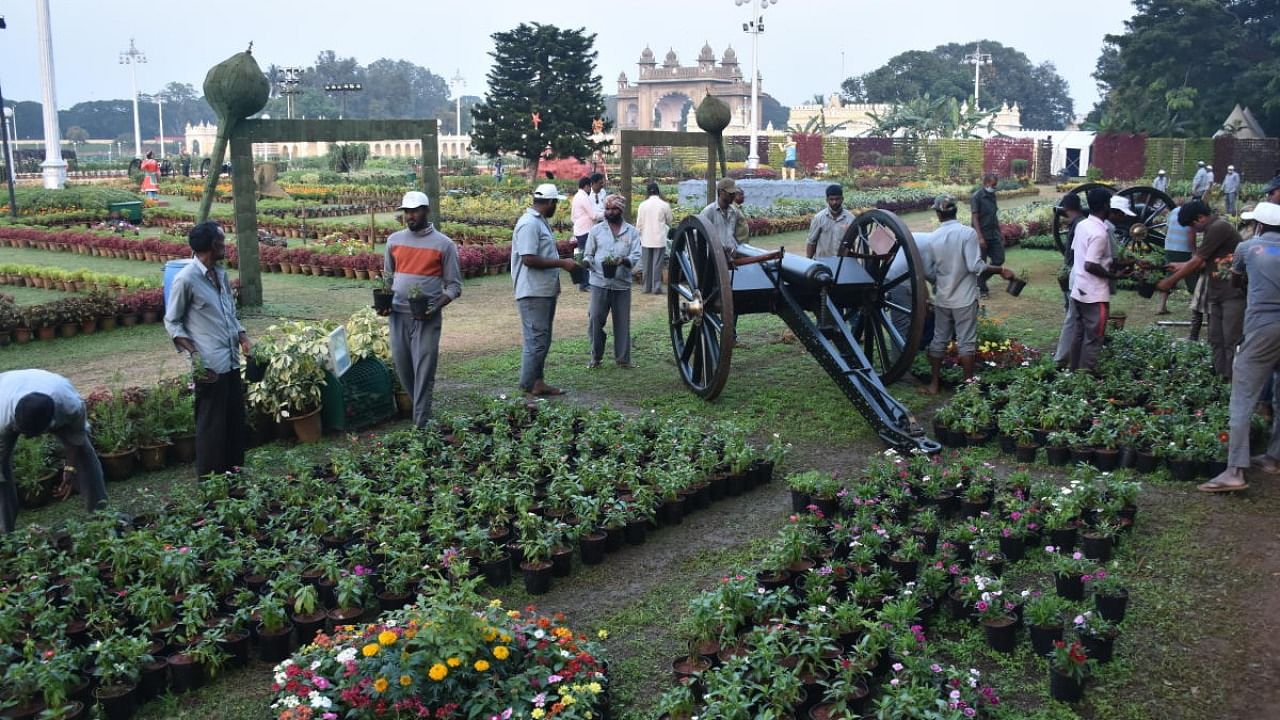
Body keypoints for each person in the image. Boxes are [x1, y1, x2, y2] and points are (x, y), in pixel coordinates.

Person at [1198, 202, 1280, 493]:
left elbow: (1235, 280)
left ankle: (1234, 471)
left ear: (1258, 225)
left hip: (1261, 328)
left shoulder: (1248, 248)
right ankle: (1273, 458)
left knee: (1243, 397)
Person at [163, 221, 252, 477]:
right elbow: (172, 321)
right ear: (211, 245)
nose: (225, 245)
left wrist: (243, 336)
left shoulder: (220, 274)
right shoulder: (186, 279)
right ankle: (211, 481)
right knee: (211, 427)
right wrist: (196, 356)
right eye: (222, 241)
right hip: (210, 367)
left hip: (231, 361)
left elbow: (228, 315)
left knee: (234, 421)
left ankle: (234, 473)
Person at [379, 191, 462, 427]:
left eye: (415, 211)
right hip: (397, 314)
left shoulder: (444, 245)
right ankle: (422, 412)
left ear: (426, 210)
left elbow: (454, 286)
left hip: (427, 317)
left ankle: (421, 423)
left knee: (424, 368)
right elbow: (388, 277)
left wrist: (435, 306)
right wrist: (383, 303)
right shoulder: (394, 241)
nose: (410, 216)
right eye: (407, 211)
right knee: (403, 367)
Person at [921, 195, 1015, 394]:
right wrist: (1000, 270)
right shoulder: (967, 233)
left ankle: (934, 384)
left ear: (938, 214)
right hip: (964, 298)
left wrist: (941, 282)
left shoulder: (933, 237)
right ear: (955, 211)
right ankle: (968, 385)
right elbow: (975, 265)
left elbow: (929, 271)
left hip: (943, 298)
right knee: (966, 341)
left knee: (939, 339)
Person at [0, 370, 108, 533]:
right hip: (6, 390)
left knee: (85, 453)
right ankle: (4, 532)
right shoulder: (3, 416)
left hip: (51, 392)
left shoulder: (70, 405)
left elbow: (76, 438)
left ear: (51, 424)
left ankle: (103, 518)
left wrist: (70, 468)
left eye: (32, 435)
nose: (27, 439)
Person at [1157, 200, 1245, 379]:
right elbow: (1205, 261)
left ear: (1200, 218)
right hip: (1218, 292)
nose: (1192, 230)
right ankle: (1220, 377)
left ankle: (1231, 380)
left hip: (1232, 294)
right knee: (1216, 338)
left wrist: (1169, 282)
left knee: (1230, 339)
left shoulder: (1218, 227)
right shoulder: (1211, 230)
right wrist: (1180, 266)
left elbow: (1197, 261)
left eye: (1191, 225)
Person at [512, 183, 579, 397]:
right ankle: (527, 387)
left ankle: (537, 382)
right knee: (536, 340)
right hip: (532, 292)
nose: (556, 207)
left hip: (543, 290)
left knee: (542, 339)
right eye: (556, 203)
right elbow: (529, 258)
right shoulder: (529, 224)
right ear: (550, 202)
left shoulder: (538, 222)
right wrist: (562, 264)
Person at [584, 194, 642, 368]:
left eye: (614, 209)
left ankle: (623, 359)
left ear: (621, 210)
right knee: (595, 318)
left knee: (622, 322)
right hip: (599, 282)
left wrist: (624, 261)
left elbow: (637, 254)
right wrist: (586, 262)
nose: (609, 212)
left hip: (621, 284)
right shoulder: (596, 231)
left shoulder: (631, 232)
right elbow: (588, 253)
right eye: (607, 209)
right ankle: (596, 357)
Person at [1066, 188, 1117, 372]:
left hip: (1079, 288)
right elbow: (1090, 264)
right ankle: (1085, 376)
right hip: (1095, 294)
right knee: (1094, 337)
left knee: (1078, 334)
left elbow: (1077, 252)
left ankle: (1073, 372)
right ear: (1105, 206)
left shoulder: (1082, 225)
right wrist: (1113, 275)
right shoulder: (1100, 233)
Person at [1052, 193, 1087, 366]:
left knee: (1072, 317)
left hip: (1077, 276)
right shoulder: (1079, 223)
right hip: (1075, 275)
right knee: (1073, 316)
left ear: (1065, 209)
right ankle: (1067, 355)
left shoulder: (1080, 225)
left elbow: (1075, 254)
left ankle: (1062, 357)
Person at [1156, 200, 1198, 315]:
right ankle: (1197, 306)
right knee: (1192, 277)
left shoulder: (1173, 211)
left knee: (1170, 274)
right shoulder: (1192, 213)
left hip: (1169, 247)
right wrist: (1194, 252)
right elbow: (1191, 233)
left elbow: (1167, 228)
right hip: (1184, 249)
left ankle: (1161, 306)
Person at [636, 182, 673, 294]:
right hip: (659, 238)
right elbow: (670, 220)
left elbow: (639, 224)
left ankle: (646, 287)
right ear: (658, 191)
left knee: (646, 264)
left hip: (646, 238)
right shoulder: (664, 205)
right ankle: (656, 287)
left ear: (648, 192)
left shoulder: (642, 205)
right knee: (657, 265)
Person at [970, 172, 1004, 298]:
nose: (994, 187)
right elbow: (975, 218)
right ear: (986, 183)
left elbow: (994, 216)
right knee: (982, 263)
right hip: (981, 234)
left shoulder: (992, 195)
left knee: (999, 259)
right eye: (993, 185)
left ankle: (980, 280)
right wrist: (979, 237)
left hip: (993, 233)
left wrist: (1000, 233)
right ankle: (983, 289)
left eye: (996, 185)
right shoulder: (976, 197)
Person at [698, 178, 746, 258]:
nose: (733, 196)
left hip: (732, 257)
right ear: (721, 192)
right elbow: (699, 237)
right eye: (730, 193)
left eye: (734, 193)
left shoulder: (734, 212)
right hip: (713, 258)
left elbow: (739, 235)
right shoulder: (708, 212)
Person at [806, 184, 855, 259]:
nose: (834, 202)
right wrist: (808, 261)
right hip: (823, 262)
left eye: (837, 199)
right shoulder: (819, 218)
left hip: (843, 263)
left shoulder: (850, 218)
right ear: (827, 200)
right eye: (831, 199)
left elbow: (854, 244)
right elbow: (811, 242)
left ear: (842, 199)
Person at [571, 176, 603, 292]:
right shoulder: (583, 197)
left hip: (580, 230)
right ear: (586, 186)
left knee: (583, 256)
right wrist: (606, 213)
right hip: (585, 230)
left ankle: (583, 283)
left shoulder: (577, 196)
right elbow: (593, 215)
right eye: (589, 186)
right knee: (586, 256)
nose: (590, 188)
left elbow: (573, 217)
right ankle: (585, 284)